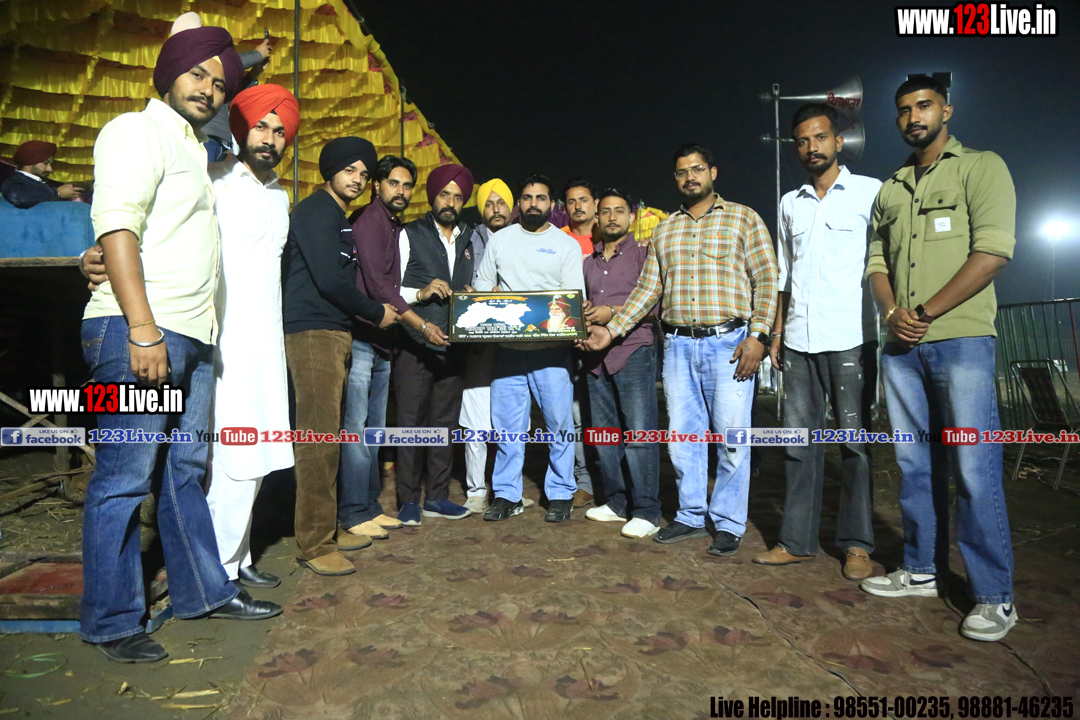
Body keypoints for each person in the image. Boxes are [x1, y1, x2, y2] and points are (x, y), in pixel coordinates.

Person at [79, 26, 278, 664]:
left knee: (184, 471)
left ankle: (203, 592)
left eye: (219, 83)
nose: (209, 89)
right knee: (124, 477)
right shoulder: (134, 131)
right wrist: (141, 327)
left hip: (191, 337)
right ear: (168, 74)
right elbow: (117, 225)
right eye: (197, 74)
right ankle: (111, 621)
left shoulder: (195, 150)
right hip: (135, 331)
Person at [859, 77, 1018, 642]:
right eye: (904, 110)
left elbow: (993, 251)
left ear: (946, 110)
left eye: (923, 106)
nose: (913, 117)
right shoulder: (891, 188)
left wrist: (925, 311)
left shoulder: (981, 167)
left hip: (961, 340)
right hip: (902, 348)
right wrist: (891, 314)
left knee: (974, 468)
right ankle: (922, 570)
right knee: (914, 465)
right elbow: (876, 262)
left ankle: (995, 597)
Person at [580, 143, 777, 557]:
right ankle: (690, 515)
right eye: (682, 172)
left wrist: (759, 336)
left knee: (732, 439)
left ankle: (728, 522)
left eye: (697, 169)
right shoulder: (665, 230)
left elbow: (766, 278)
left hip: (730, 344)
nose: (690, 177)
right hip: (678, 347)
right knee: (683, 439)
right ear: (675, 179)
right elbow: (647, 291)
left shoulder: (744, 218)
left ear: (713, 173)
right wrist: (611, 331)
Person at [753, 103, 881, 581]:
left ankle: (857, 545)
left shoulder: (870, 192)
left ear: (838, 141)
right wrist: (777, 332)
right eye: (803, 140)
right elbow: (784, 274)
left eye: (820, 137)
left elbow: (883, 261)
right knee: (798, 444)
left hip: (851, 338)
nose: (812, 147)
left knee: (854, 445)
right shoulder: (791, 202)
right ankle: (797, 541)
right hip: (799, 340)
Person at [281, 136, 399, 576]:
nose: (358, 179)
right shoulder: (315, 211)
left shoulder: (335, 215)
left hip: (333, 331)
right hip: (312, 331)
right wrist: (376, 311)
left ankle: (328, 529)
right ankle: (314, 544)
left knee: (330, 437)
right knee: (317, 441)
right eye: (350, 170)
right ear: (329, 171)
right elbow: (330, 280)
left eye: (364, 174)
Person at [475, 173, 586, 523]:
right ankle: (506, 495)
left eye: (540, 198)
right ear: (519, 203)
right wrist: (489, 296)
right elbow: (482, 285)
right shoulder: (500, 240)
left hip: (552, 351)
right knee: (507, 428)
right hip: (508, 350)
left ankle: (561, 492)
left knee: (559, 425)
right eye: (527, 197)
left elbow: (572, 298)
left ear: (551, 204)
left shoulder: (566, 245)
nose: (533, 203)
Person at [337, 155, 421, 543]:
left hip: (382, 341)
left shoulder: (391, 224)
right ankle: (353, 511)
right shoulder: (369, 221)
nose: (400, 191)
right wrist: (420, 323)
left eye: (407, 185)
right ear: (377, 185)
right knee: (356, 429)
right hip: (361, 337)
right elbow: (376, 283)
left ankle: (369, 506)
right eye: (393, 183)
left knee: (373, 430)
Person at [393, 164, 479, 525]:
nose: (451, 202)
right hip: (414, 343)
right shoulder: (409, 234)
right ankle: (408, 501)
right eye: (445, 194)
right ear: (432, 197)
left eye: (458, 197)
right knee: (411, 424)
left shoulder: (469, 239)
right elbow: (388, 290)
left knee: (444, 424)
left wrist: (472, 295)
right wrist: (422, 292)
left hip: (453, 347)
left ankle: (438, 497)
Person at [581, 189, 662, 538]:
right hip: (594, 356)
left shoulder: (644, 256)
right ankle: (616, 503)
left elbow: (655, 306)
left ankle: (647, 510)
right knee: (604, 435)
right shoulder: (588, 263)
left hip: (633, 350)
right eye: (605, 211)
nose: (612, 217)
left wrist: (612, 313)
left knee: (639, 435)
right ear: (597, 218)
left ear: (631, 217)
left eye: (619, 211)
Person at [458, 179, 532, 514]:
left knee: (514, 419)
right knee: (475, 416)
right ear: (481, 209)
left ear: (511, 207)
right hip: (479, 343)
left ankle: (509, 490)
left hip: (516, 344)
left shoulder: (525, 238)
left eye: (501, 202)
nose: (496, 209)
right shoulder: (468, 240)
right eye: (489, 203)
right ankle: (476, 490)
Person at [561, 177, 601, 507]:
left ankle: (614, 479)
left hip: (607, 337)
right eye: (572, 201)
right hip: (569, 341)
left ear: (595, 203)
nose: (578, 206)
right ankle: (584, 480)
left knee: (606, 414)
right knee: (575, 414)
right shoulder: (557, 240)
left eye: (583, 199)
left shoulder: (609, 236)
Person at [1, 141, 84, 208]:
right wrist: (57, 193)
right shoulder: (13, 183)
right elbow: (20, 197)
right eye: (46, 163)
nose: (50, 169)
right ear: (30, 162)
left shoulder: (50, 184)